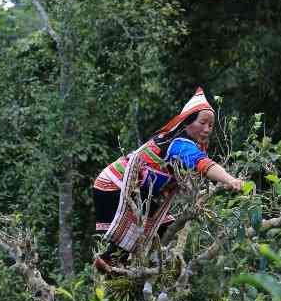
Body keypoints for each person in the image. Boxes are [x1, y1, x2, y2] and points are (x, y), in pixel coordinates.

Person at [92, 87, 243, 273]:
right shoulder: (179, 144)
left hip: (133, 189)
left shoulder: (185, 144)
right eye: (202, 123)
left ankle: (135, 269)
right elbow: (204, 164)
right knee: (134, 233)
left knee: (165, 227)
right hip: (113, 184)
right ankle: (113, 264)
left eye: (211, 126)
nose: (207, 129)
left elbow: (193, 173)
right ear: (187, 123)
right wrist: (230, 180)